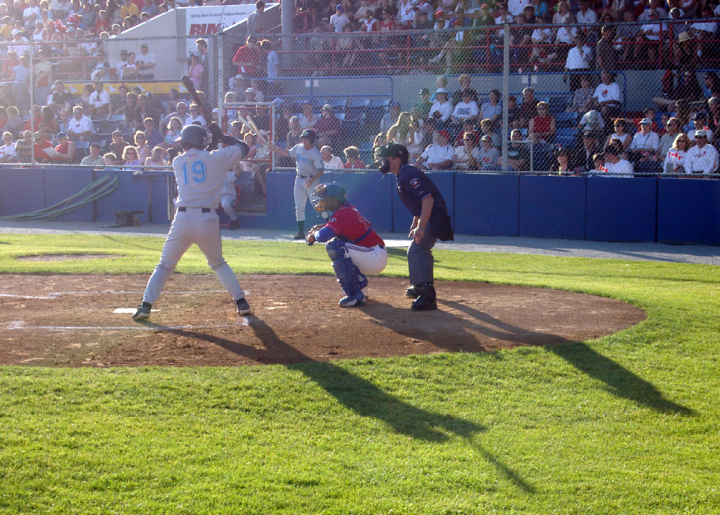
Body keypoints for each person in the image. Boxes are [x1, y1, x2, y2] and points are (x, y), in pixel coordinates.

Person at [132, 124, 252, 321]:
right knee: (219, 263)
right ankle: (241, 302)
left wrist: (214, 139)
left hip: (182, 219)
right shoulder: (217, 158)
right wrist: (225, 137)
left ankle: (146, 306)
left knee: (164, 266)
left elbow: (200, 155)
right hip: (207, 219)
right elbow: (243, 148)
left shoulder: (178, 161)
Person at [376, 143, 453, 311]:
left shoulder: (408, 174)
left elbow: (428, 200)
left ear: (396, 159)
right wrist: (416, 220)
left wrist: (422, 226)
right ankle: (419, 286)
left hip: (435, 215)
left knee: (418, 249)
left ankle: (428, 295)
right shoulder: (403, 173)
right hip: (430, 214)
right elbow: (419, 202)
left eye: (386, 158)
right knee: (415, 249)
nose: (382, 161)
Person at [306, 182, 387, 307]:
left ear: (334, 199)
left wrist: (314, 235)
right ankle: (361, 288)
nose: (321, 200)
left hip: (374, 256)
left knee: (335, 246)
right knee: (341, 246)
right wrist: (323, 228)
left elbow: (323, 236)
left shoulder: (343, 213)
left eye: (325, 197)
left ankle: (354, 295)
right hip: (371, 253)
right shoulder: (345, 210)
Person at [267, 129, 324, 239]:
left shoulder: (315, 153)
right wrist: (275, 149)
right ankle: (301, 232)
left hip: (311, 180)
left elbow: (321, 170)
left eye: (306, 138)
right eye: (303, 138)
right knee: (299, 207)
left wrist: (311, 181)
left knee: (319, 206)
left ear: (311, 140)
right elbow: (288, 153)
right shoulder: (298, 147)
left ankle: (333, 227)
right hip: (299, 179)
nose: (304, 140)